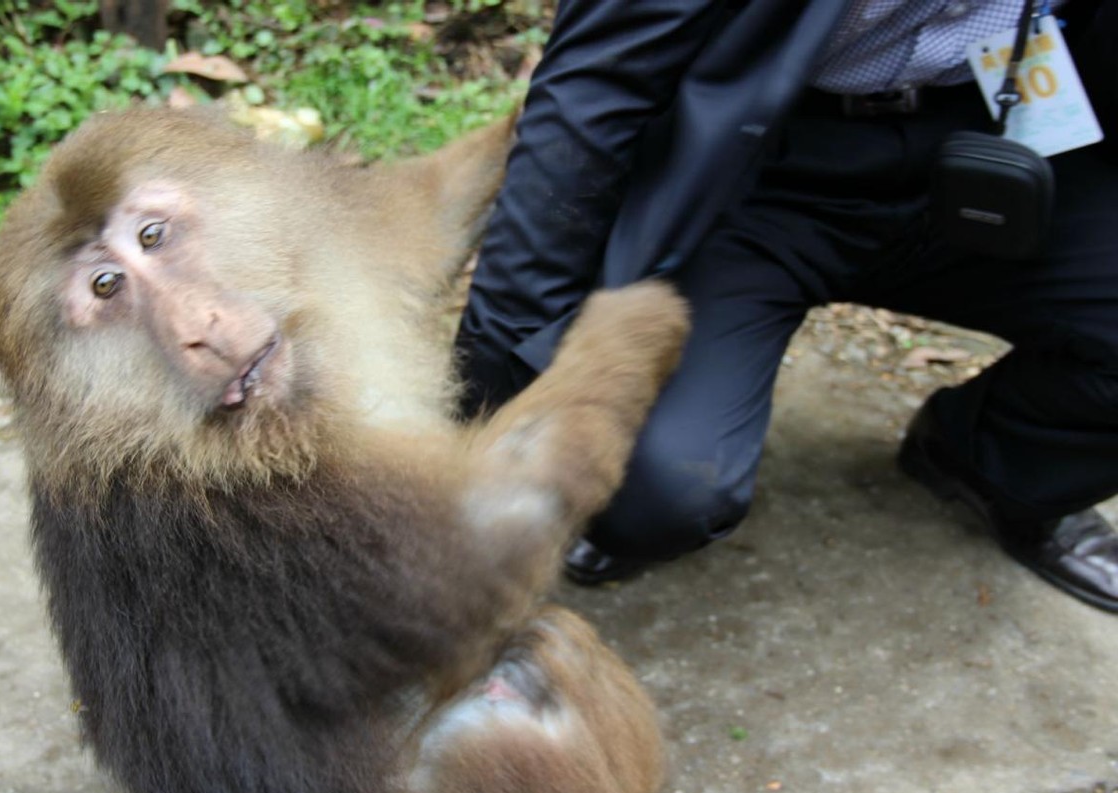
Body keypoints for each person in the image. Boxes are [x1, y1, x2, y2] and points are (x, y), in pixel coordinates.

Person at [454, 0, 1118, 613]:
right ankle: (625, 505)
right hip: (756, 161)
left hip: (998, 134)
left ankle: (986, 458)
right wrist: (498, 400)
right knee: (654, 488)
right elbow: (595, 89)